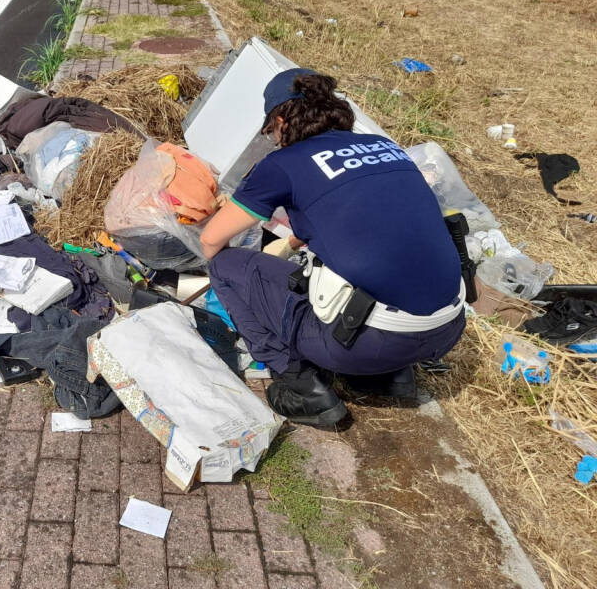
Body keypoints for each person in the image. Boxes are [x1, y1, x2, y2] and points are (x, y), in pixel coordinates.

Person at [199, 68, 466, 427]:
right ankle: (390, 377)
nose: (274, 140)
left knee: (224, 267)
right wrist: (290, 243)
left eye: (271, 132)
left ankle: (301, 384)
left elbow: (211, 239)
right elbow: (363, 222)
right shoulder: (386, 147)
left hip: (371, 345)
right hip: (446, 329)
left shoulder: (284, 163)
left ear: (280, 121)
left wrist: (252, 282)